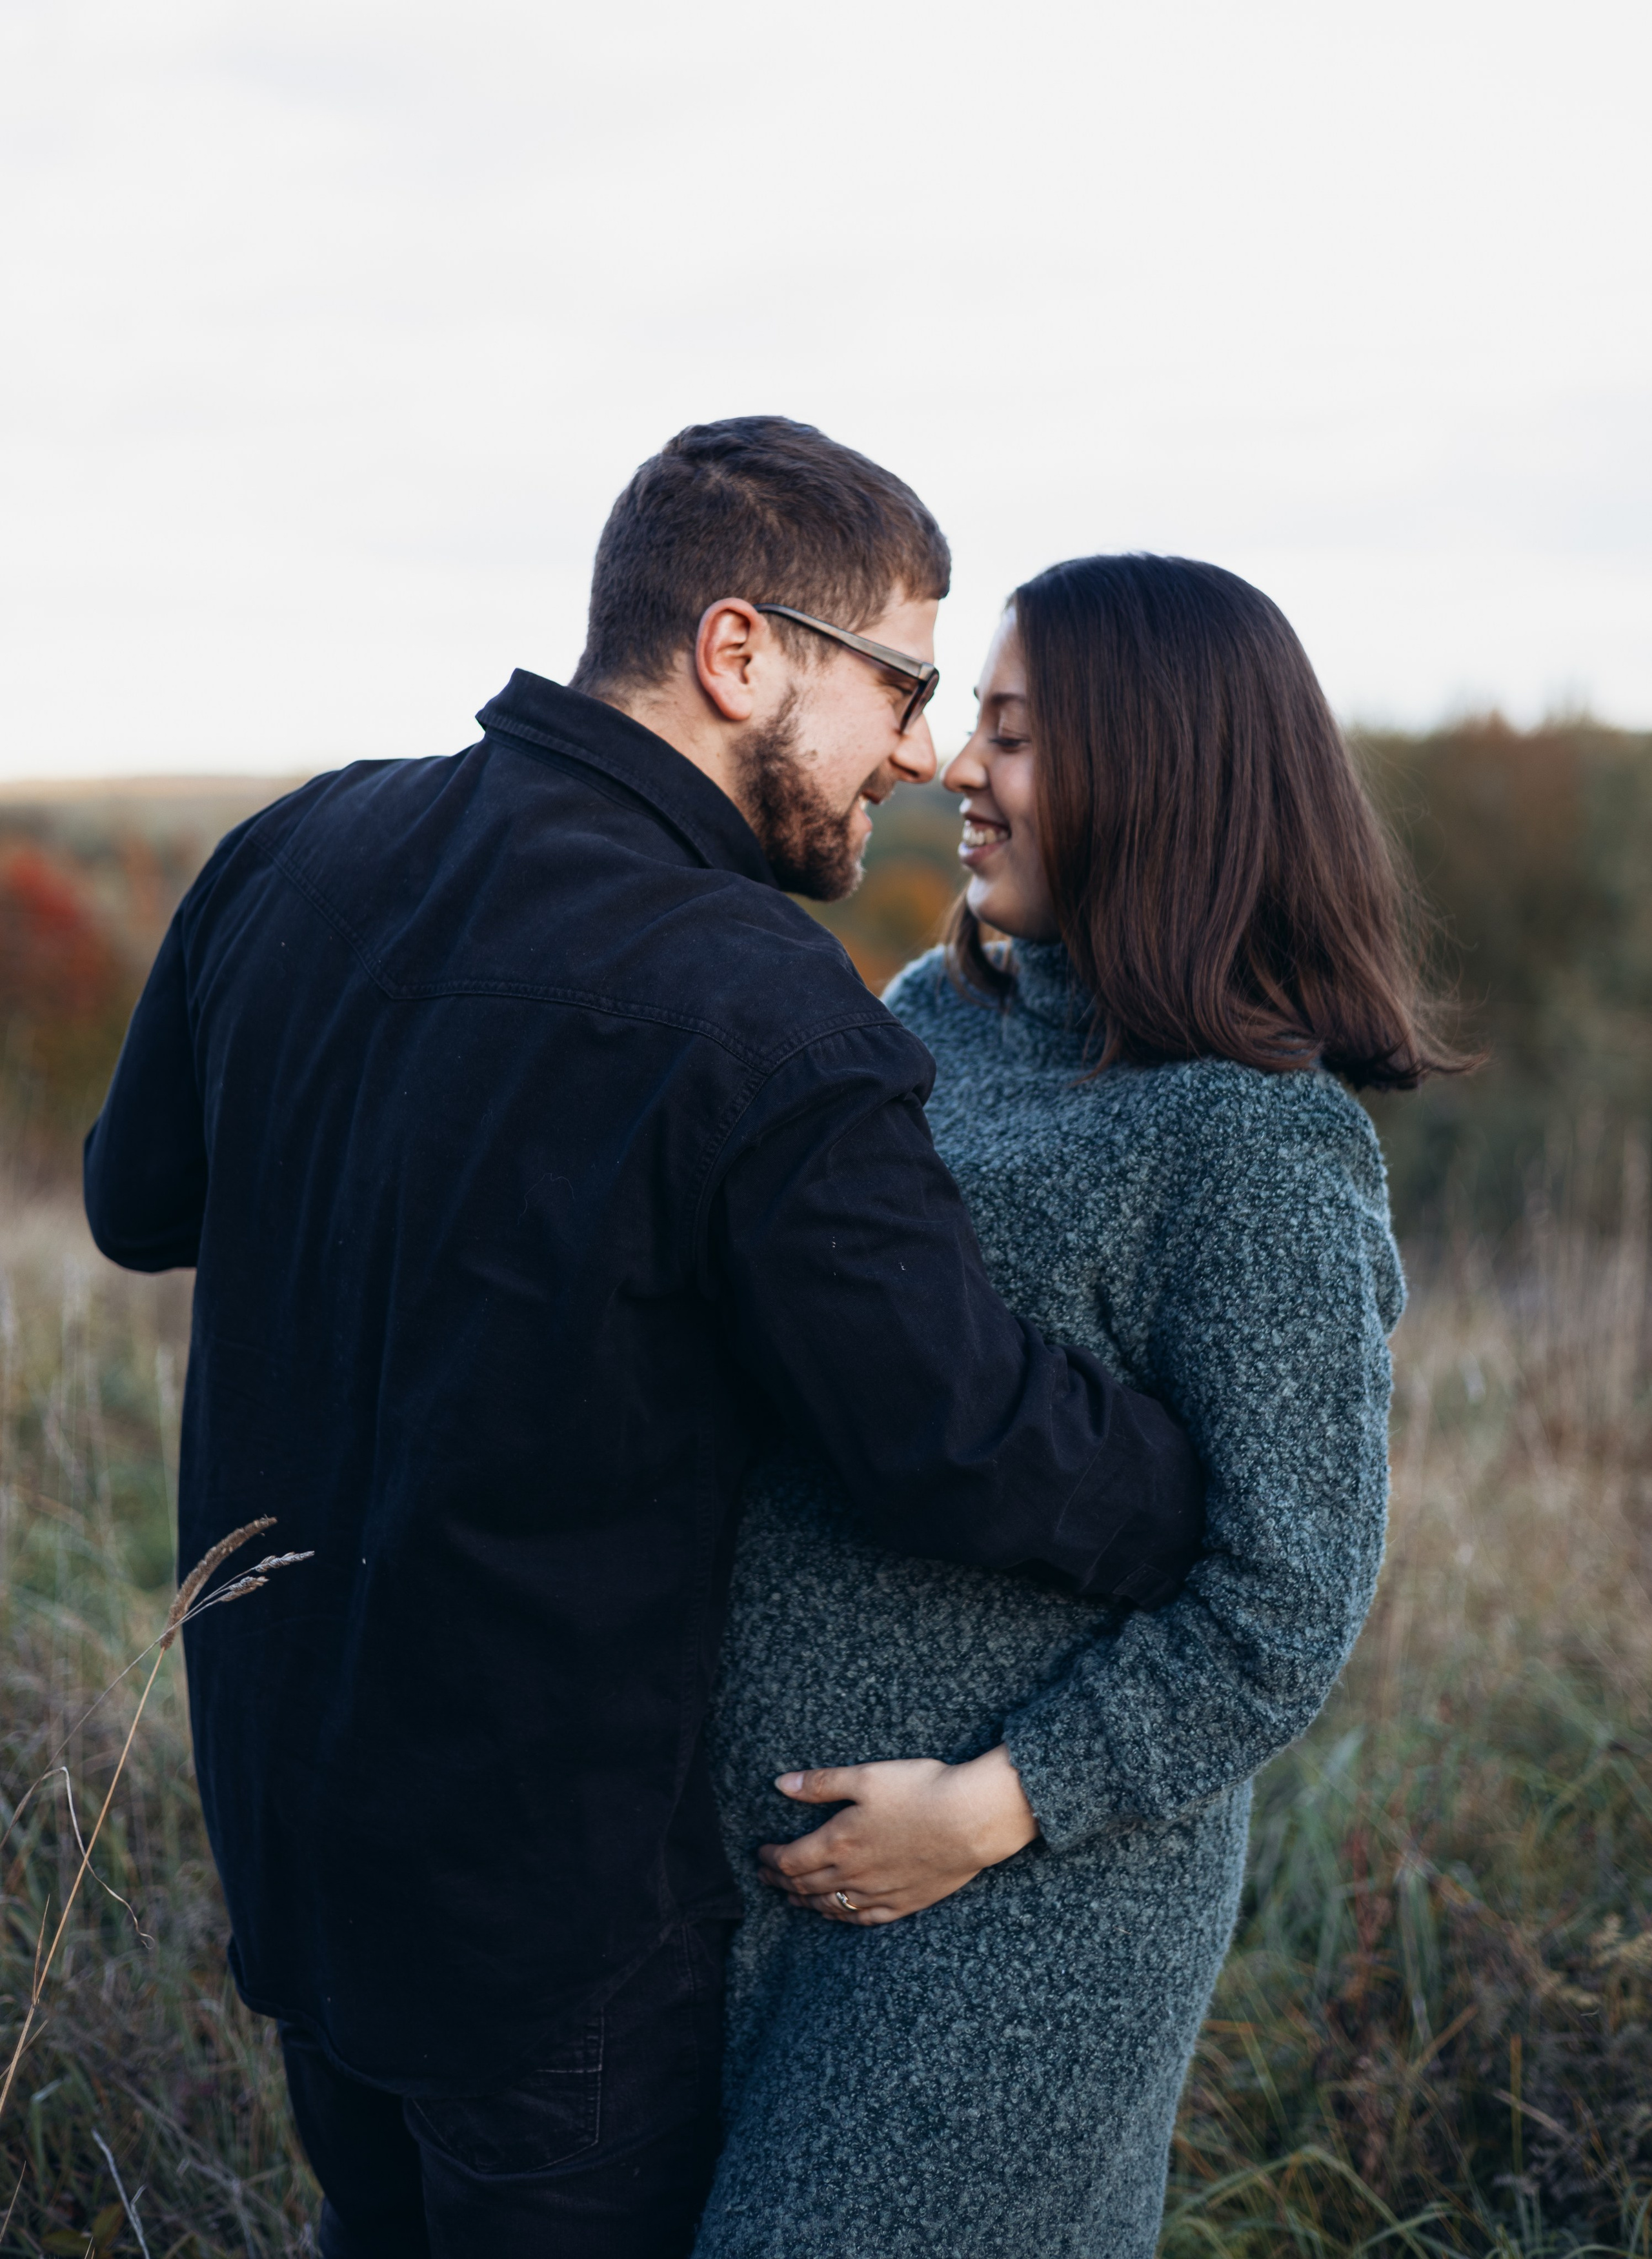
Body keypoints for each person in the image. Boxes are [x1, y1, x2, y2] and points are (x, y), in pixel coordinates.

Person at [81, 424, 1205, 2259]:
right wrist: (1205, 1487)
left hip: (290, 1855)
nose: (921, 755)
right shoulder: (758, 999)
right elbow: (955, 1439)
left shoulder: (291, 846)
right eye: (904, 686)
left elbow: (136, 1204)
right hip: (557, 1943)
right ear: (740, 654)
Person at [693, 554, 1462, 2259]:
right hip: (778, 1884)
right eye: (974, 721)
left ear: (1158, 773)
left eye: (1017, 736)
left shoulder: (1256, 1144)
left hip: (1018, 1909)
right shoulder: (938, 1023)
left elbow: (1290, 1598)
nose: (959, 768)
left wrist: (983, 1811)